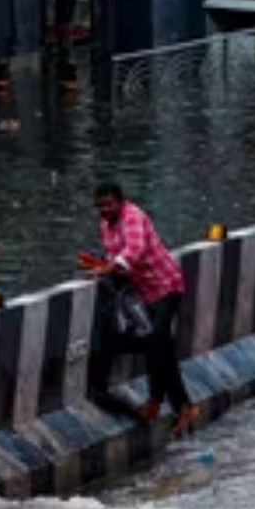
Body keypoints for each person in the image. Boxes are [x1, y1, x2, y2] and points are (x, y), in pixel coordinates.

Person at [80, 183, 200, 437]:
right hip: (143, 290)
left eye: (109, 204)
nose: (105, 210)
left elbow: (132, 251)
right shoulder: (106, 224)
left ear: (121, 202)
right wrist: (103, 265)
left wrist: (108, 268)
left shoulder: (132, 217)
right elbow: (116, 259)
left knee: (159, 343)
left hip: (166, 285)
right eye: (100, 206)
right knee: (153, 344)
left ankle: (184, 406)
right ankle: (156, 401)